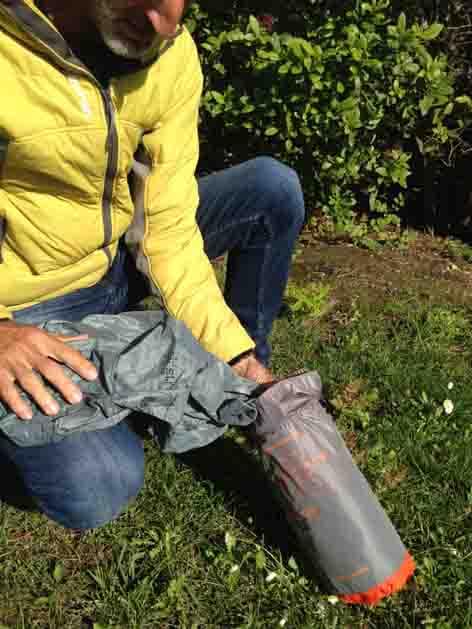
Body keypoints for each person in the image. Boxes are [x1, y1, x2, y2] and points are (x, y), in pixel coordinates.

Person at [0, 0, 305, 530]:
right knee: (99, 488)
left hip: (113, 260)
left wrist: (235, 355)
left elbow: (166, 226)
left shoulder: (169, 53)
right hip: (23, 303)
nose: (166, 21)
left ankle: (240, 388)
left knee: (271, 190)